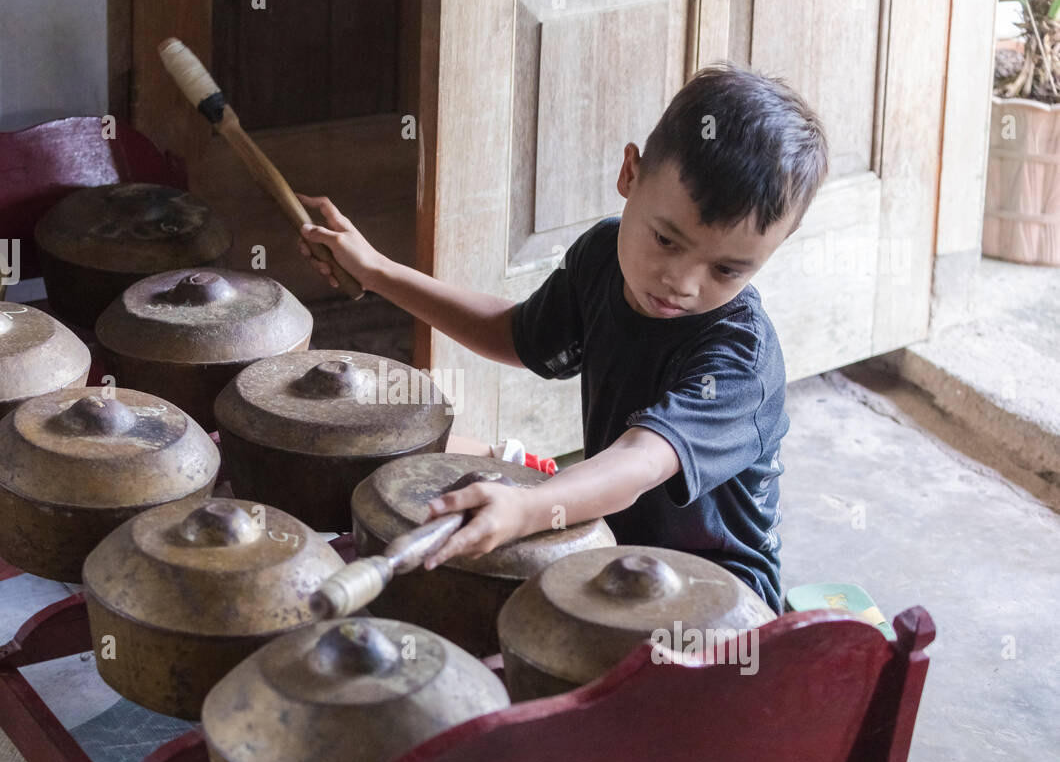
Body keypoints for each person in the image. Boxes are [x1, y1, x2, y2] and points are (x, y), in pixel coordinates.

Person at [296, 63, 829, 612]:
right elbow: (514, 335)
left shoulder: (741, 360)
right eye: (667, 240)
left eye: (727, 271)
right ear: (630, 174)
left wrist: (531, 508)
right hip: (610, 557)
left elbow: (639, 462)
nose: (683, 283)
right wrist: (379, 271)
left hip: (717, 596)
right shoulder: (603, 255)